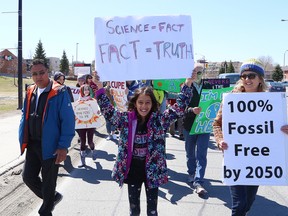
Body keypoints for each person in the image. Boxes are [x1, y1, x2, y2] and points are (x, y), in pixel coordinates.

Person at [95, 71, 197, 216]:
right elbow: (108, 112)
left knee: (152, 211)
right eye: (140, 102)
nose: (144, 106)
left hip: (153, 170)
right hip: (133, 171)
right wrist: (99, 88)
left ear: (153, 104)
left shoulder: (159, 121)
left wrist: (188, 83)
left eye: (148, 102)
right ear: (134, 103)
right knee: (134, 210)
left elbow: (179, 108)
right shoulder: (126, 120)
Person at [213, 58, 288, 216]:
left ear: (260, 79)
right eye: (244, 76)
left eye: (251, 76)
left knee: (248, 202)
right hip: (236, 159)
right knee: (239, 205)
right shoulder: (231, 100)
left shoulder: (271, 103)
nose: (247, 79)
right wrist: (220, 140)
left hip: (258, 161)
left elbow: (276, 130)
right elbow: (217, 124)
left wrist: (284, 131)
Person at [19, 59, 75, 216]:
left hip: (52, 146)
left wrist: (63, 146)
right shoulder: (30, 91)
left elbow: (68, 121)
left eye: (41, 72)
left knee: (49, 182)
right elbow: (25, 114)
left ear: (48, 72)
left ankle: (46, 210)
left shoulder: (60, 92)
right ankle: (52, 198)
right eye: (34, 74)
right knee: (28, 177)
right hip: (32, 144)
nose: (38, 77)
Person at [182, 63, 212, 195]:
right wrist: (191, 110)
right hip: (189, 124)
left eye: (199, 72)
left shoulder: (208, 86)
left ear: (203, 73)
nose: (196, 75)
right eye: (194, 72)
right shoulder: (185, 87)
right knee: (190, 152)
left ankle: (199, 181)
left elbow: (213, 104)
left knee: (202, 154)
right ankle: (191, 173)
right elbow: (180, 107)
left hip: (204, 125)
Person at [77, 84, 98, 167]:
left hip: (90, 124)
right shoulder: (78, 102)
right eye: (84, 89)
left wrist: (98, 113)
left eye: (88, 89)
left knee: (90, 141)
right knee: (82, 142)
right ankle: (82, 161)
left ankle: (93, 151)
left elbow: (96, 110)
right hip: (81, 124)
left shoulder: (93, 100)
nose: (86, 91)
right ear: (81, 91)